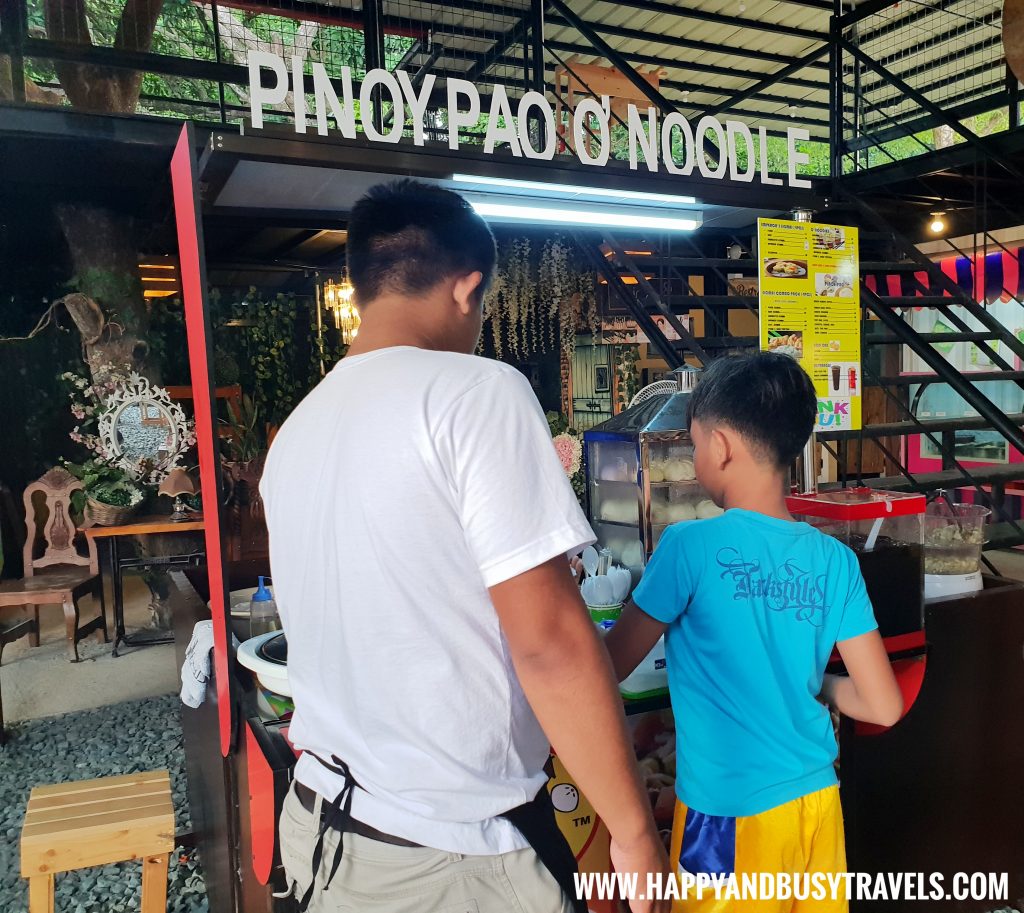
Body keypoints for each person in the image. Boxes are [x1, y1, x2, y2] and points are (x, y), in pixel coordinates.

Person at [261, 179, 669, 913]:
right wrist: (635, 831)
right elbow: (547, 643)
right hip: (448, 857)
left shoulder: (295, 433)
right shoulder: (476, 392)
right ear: (467, 288)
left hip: (322, 834)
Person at [604, 353, 903, 912]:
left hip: (725, 816)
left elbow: (608, 667)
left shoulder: (687, 548)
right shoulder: (836, 561)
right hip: (816, 808)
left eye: (694, 445)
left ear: (719, 446)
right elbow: (883, 707)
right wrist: (820, 685)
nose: (696, 459)